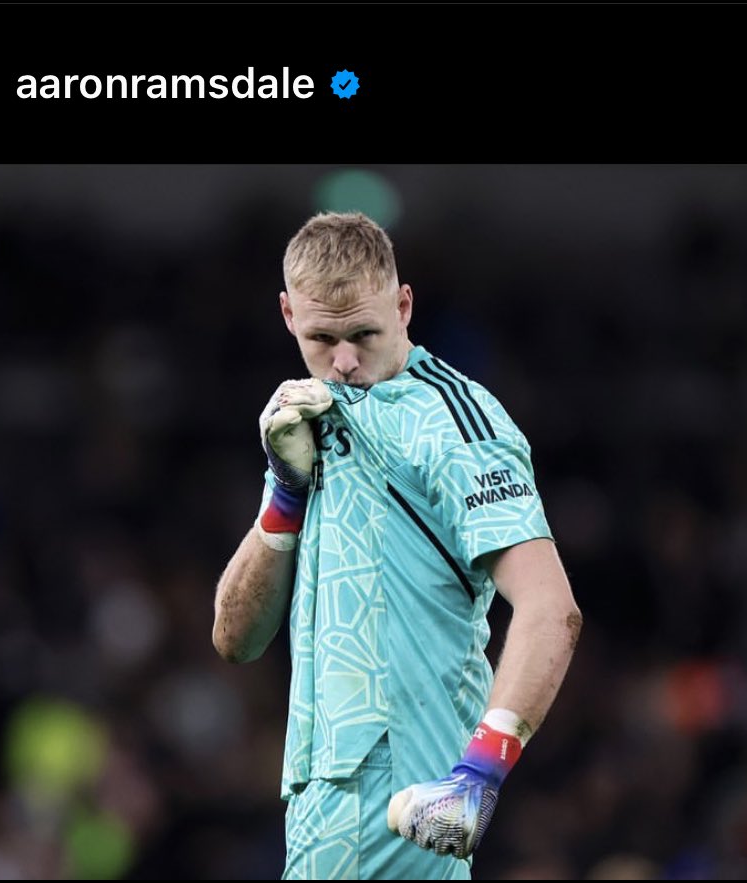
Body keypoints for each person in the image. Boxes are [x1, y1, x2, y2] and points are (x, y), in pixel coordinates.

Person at [213, 212, 582, 880]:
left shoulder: (455, 422)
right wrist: (285, 494)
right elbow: (235, 638)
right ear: (288, 314)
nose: (344, 361)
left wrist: (477, 775)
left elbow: (551, 608)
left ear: (403, 306)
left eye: (364, 334)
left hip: (398, 791)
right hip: (319, 805)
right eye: (322, 338)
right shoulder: (309, 417)